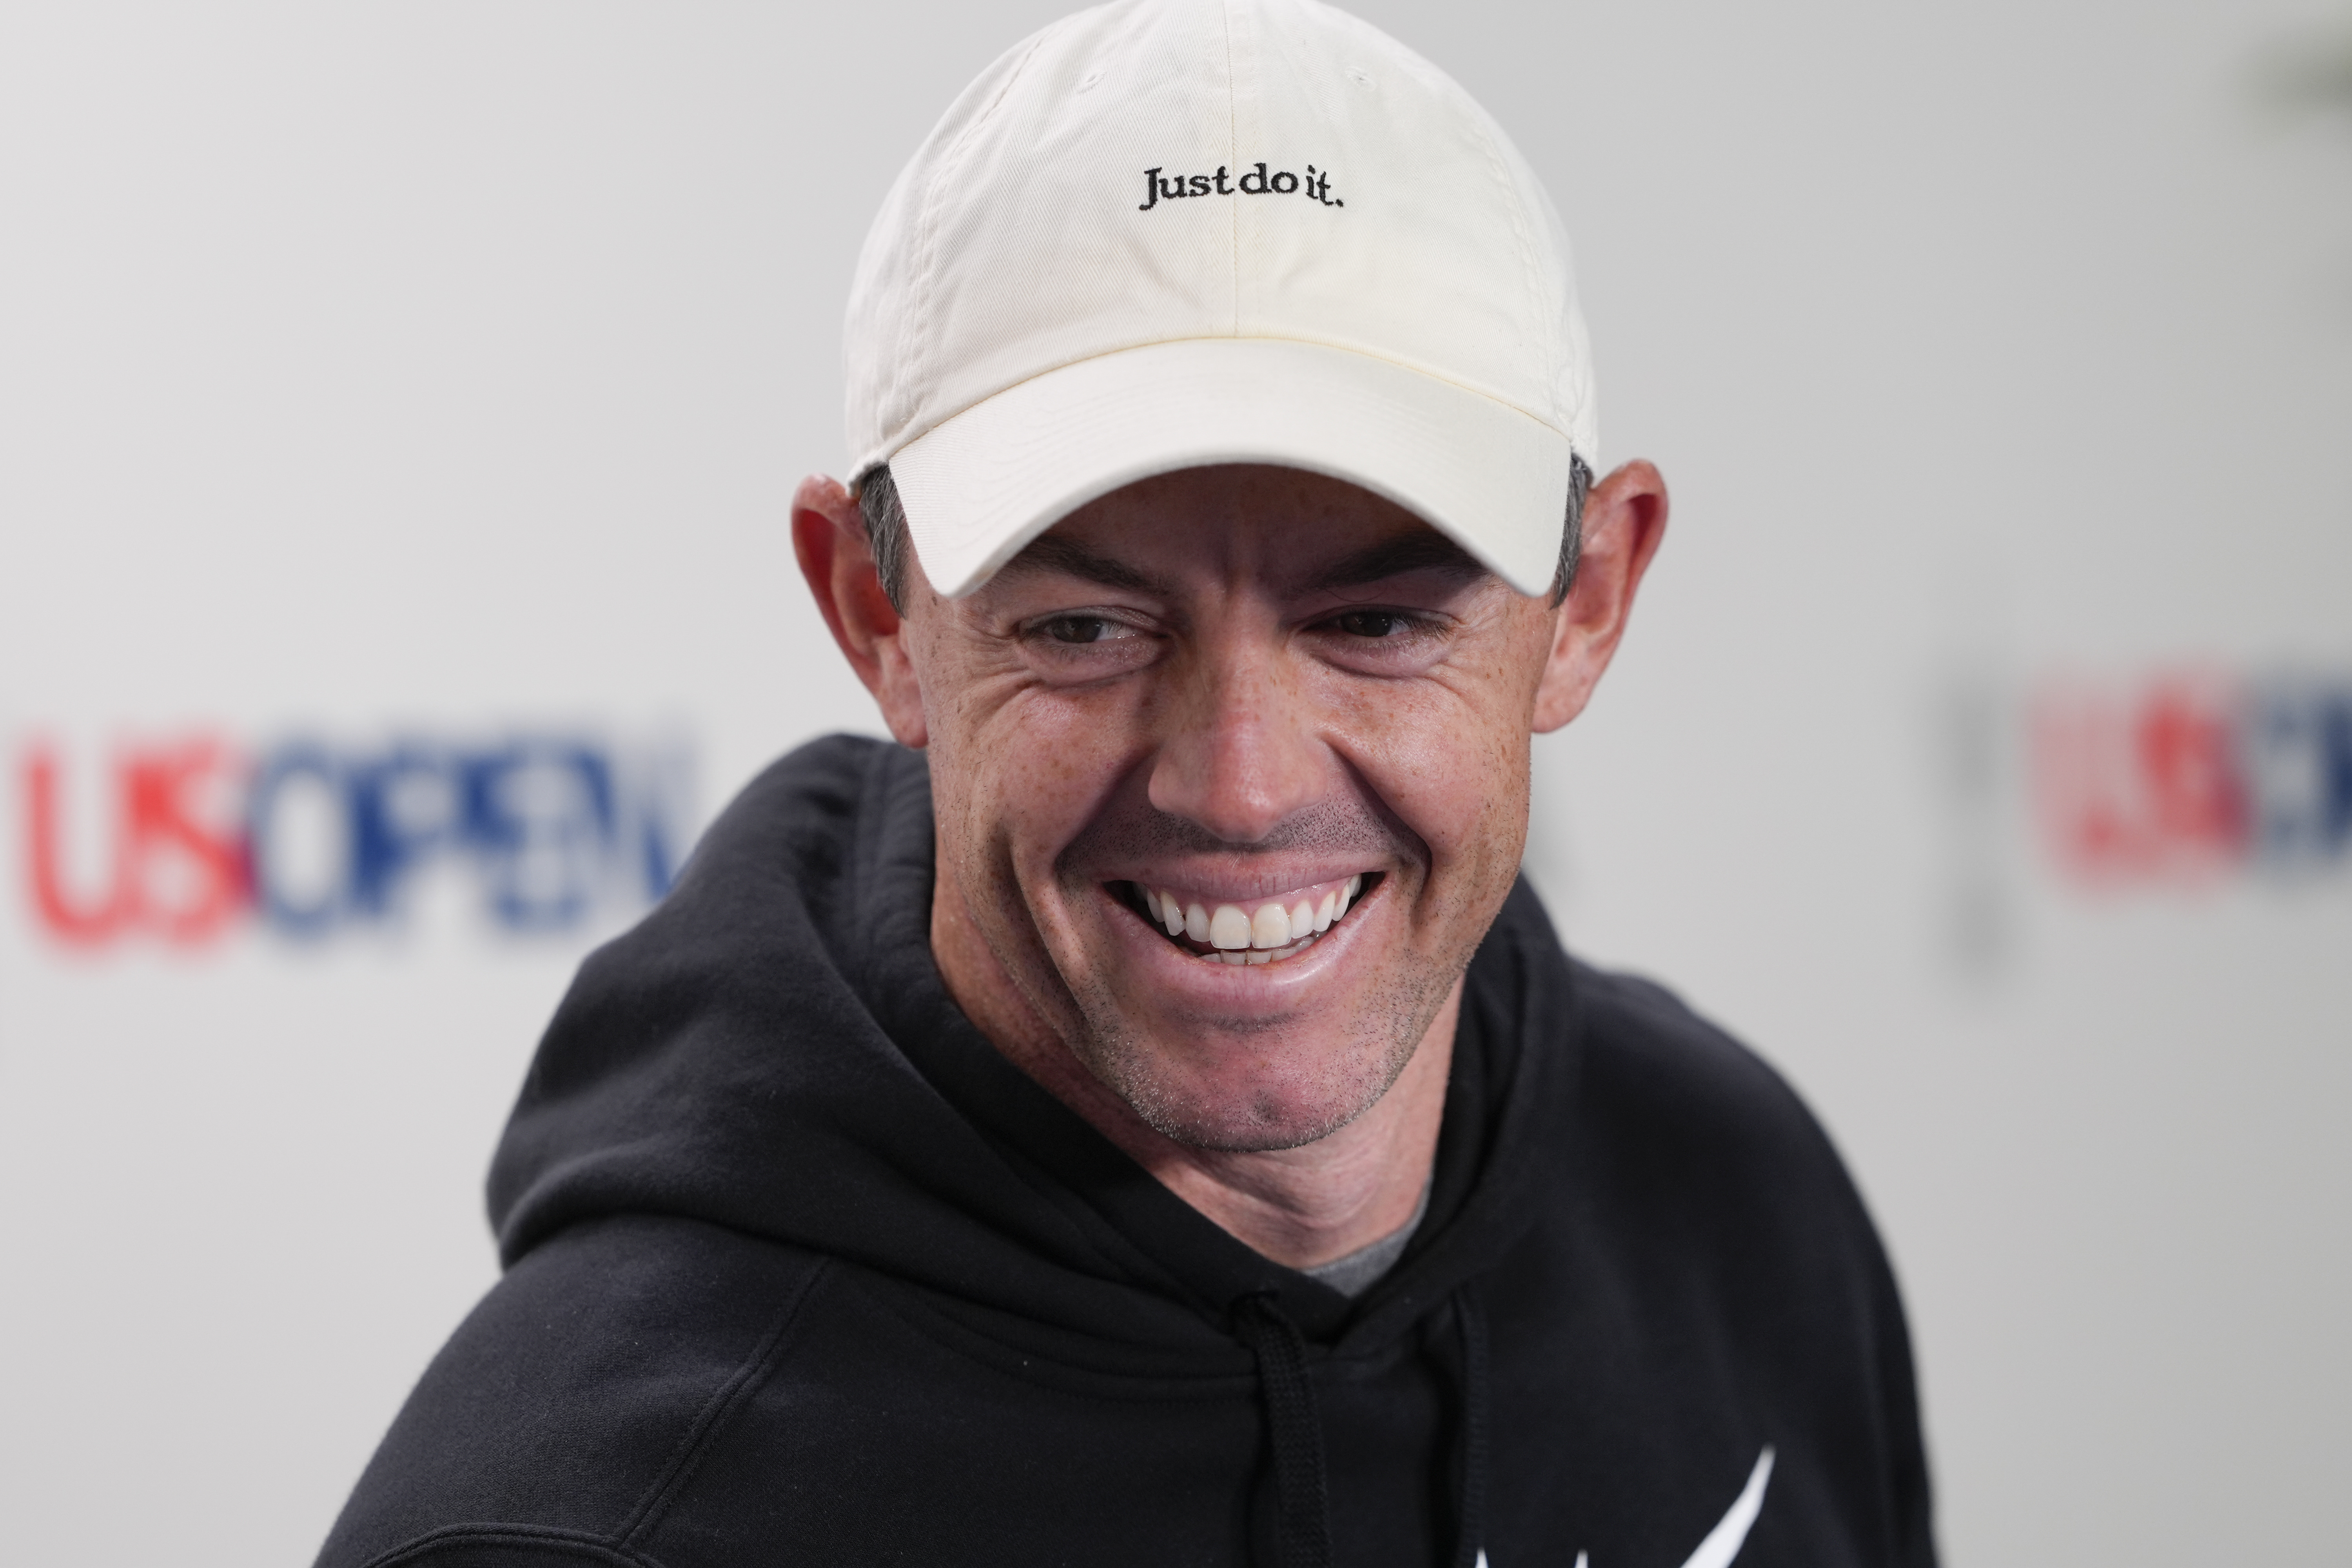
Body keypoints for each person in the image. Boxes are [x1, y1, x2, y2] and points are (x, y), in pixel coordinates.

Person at [316, 1, 1935, 1564]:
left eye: (1376, 619)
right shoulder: (585, 1524)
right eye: (1085, 625)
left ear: (1587, 604)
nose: (1238, 784)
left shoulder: (1734, 1205)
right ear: (878, 616)